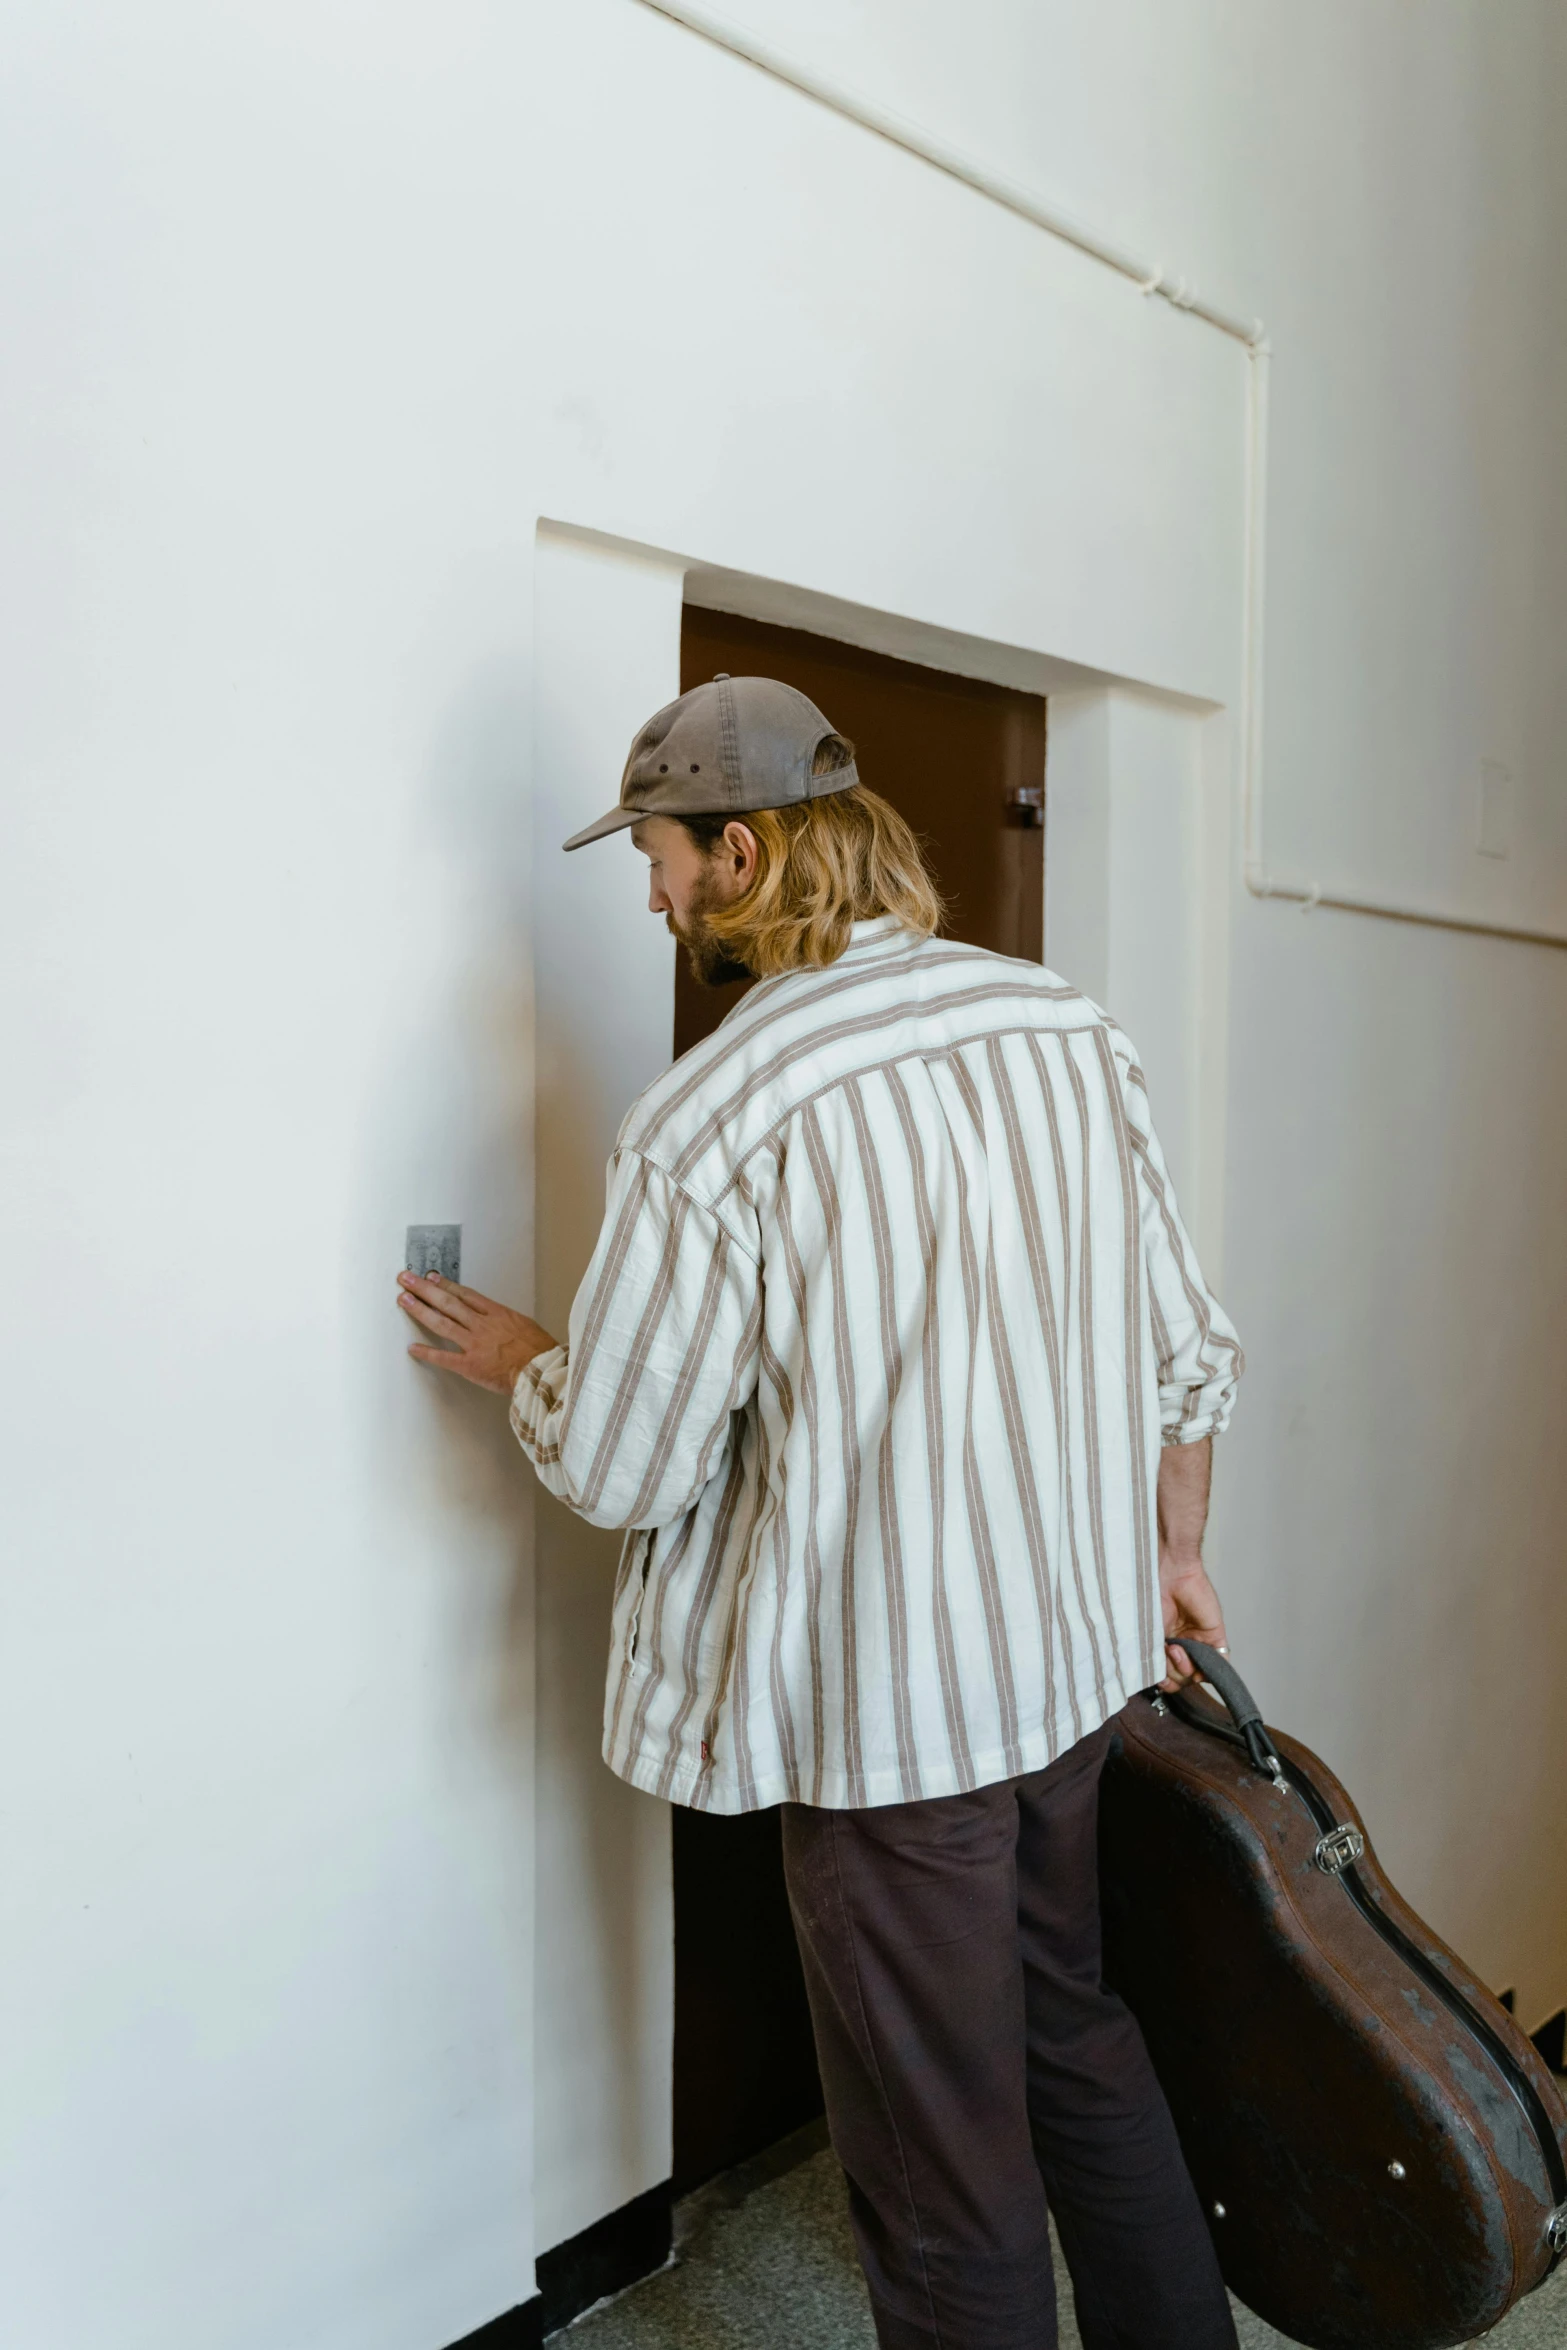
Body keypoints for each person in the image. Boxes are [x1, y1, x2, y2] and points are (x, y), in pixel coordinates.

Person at [395, 673, 1245, 2350]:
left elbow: (629, 1462)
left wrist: (525, 1360)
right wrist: (1174, 1556)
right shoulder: (1062, 1025)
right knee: (1075, 2031)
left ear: (744, 845)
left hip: (893, 1732)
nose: (647, 892)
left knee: (939, 2173)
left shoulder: (721, 1110)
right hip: (1075, 1674)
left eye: (658, 854)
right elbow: (1190, 1356)